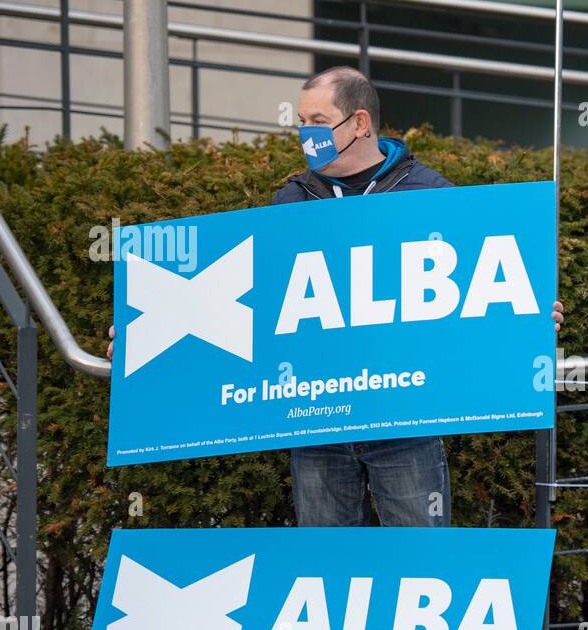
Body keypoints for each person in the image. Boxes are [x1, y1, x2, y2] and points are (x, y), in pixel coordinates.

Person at [108, 66, 564, 528]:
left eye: (318, 120)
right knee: (327, 565)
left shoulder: (429, 194)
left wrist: (528, 316)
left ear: (360, 123)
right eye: (301, 122)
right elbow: (252, 304)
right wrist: (144, 333)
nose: (306, 133)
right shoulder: (292, 201)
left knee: (422, 562)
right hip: (316, 423)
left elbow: (477, 290)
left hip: (405, 422)